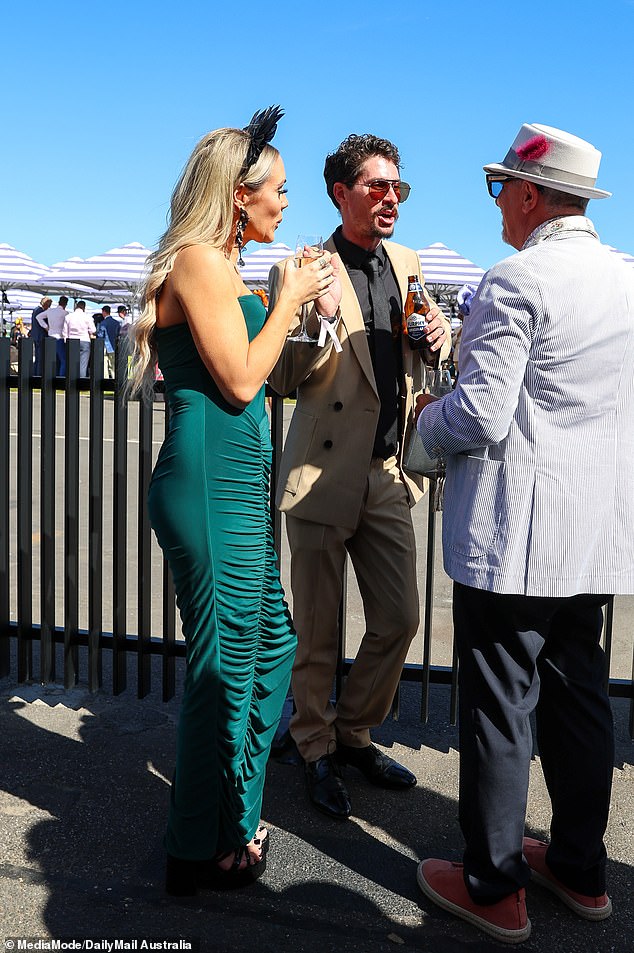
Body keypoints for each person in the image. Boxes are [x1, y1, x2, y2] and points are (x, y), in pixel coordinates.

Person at [414, 123, 634, 944]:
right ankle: (580, 868)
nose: (500, 203)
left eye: (502, 187)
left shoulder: (516, 279)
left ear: (531, 195)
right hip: (597, 534)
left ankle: (493, 883)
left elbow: (479, 411)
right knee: (580, 700)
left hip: (518, 540)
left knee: (500, 707)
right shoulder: (627, 279)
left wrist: (423, 427)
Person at [129, 106, 335, 896]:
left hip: (236, 480)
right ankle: (198, 845)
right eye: (278, 189)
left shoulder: (223, 266)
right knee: (225, 663)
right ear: (238, 194)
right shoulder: (198, 262)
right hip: (210, 482)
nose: (286, 203)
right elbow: (242, 379)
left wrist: (298, 316)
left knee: (271, 645)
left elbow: (261, 371)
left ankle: (232, 815)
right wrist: (286, 298)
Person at [268, 134, 451, 820]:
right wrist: (310, 324)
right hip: (320, 470)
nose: (390, 198)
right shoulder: (305, 268)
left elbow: (433, 340)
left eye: (397, 187)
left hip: (385, 471)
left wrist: (442, 336)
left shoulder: (407, 263)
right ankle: (314, 745)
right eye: (376, 186)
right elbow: (281, 376)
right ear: (341, 193)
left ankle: (353, 731)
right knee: (316, 631)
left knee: (400, 617)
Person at [63, 300, 96, 377]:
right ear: (84, 307)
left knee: (72, 364)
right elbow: (93, 330)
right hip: (84, 340)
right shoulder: (87, 317)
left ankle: (71, 382)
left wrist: (66, 341)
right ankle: (82, 382)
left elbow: (65, 331)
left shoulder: (68, 316)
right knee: (83, 364)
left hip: (71, 340)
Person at [96, 304, 122, 377]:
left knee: (104, 364)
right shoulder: (116, 323)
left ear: (104, 312)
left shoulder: (103, 323)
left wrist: (96, 334)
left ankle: (106, 379)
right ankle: (114, 378)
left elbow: (100, 335)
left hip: (105, 346)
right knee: (113, 364)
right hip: (114, 345)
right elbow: (119, 334)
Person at [46, 296, 69, 375]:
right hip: (60, 338)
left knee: (52, 360)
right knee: (63, 360)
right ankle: (61, 377)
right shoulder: (65, 313)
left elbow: (38, 317)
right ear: (65, 304)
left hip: (50, 336)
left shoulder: (50, 311)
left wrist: (46, 327)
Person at [30, 296, 52, 374]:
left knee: (37, 357)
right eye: (49, 305)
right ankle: (38, 374)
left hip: (36, 336)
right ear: (45, 304)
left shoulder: (35, 310)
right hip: (41, 336)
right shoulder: (40, 311)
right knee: (40, 358)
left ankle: (35, 373)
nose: (49, 307)